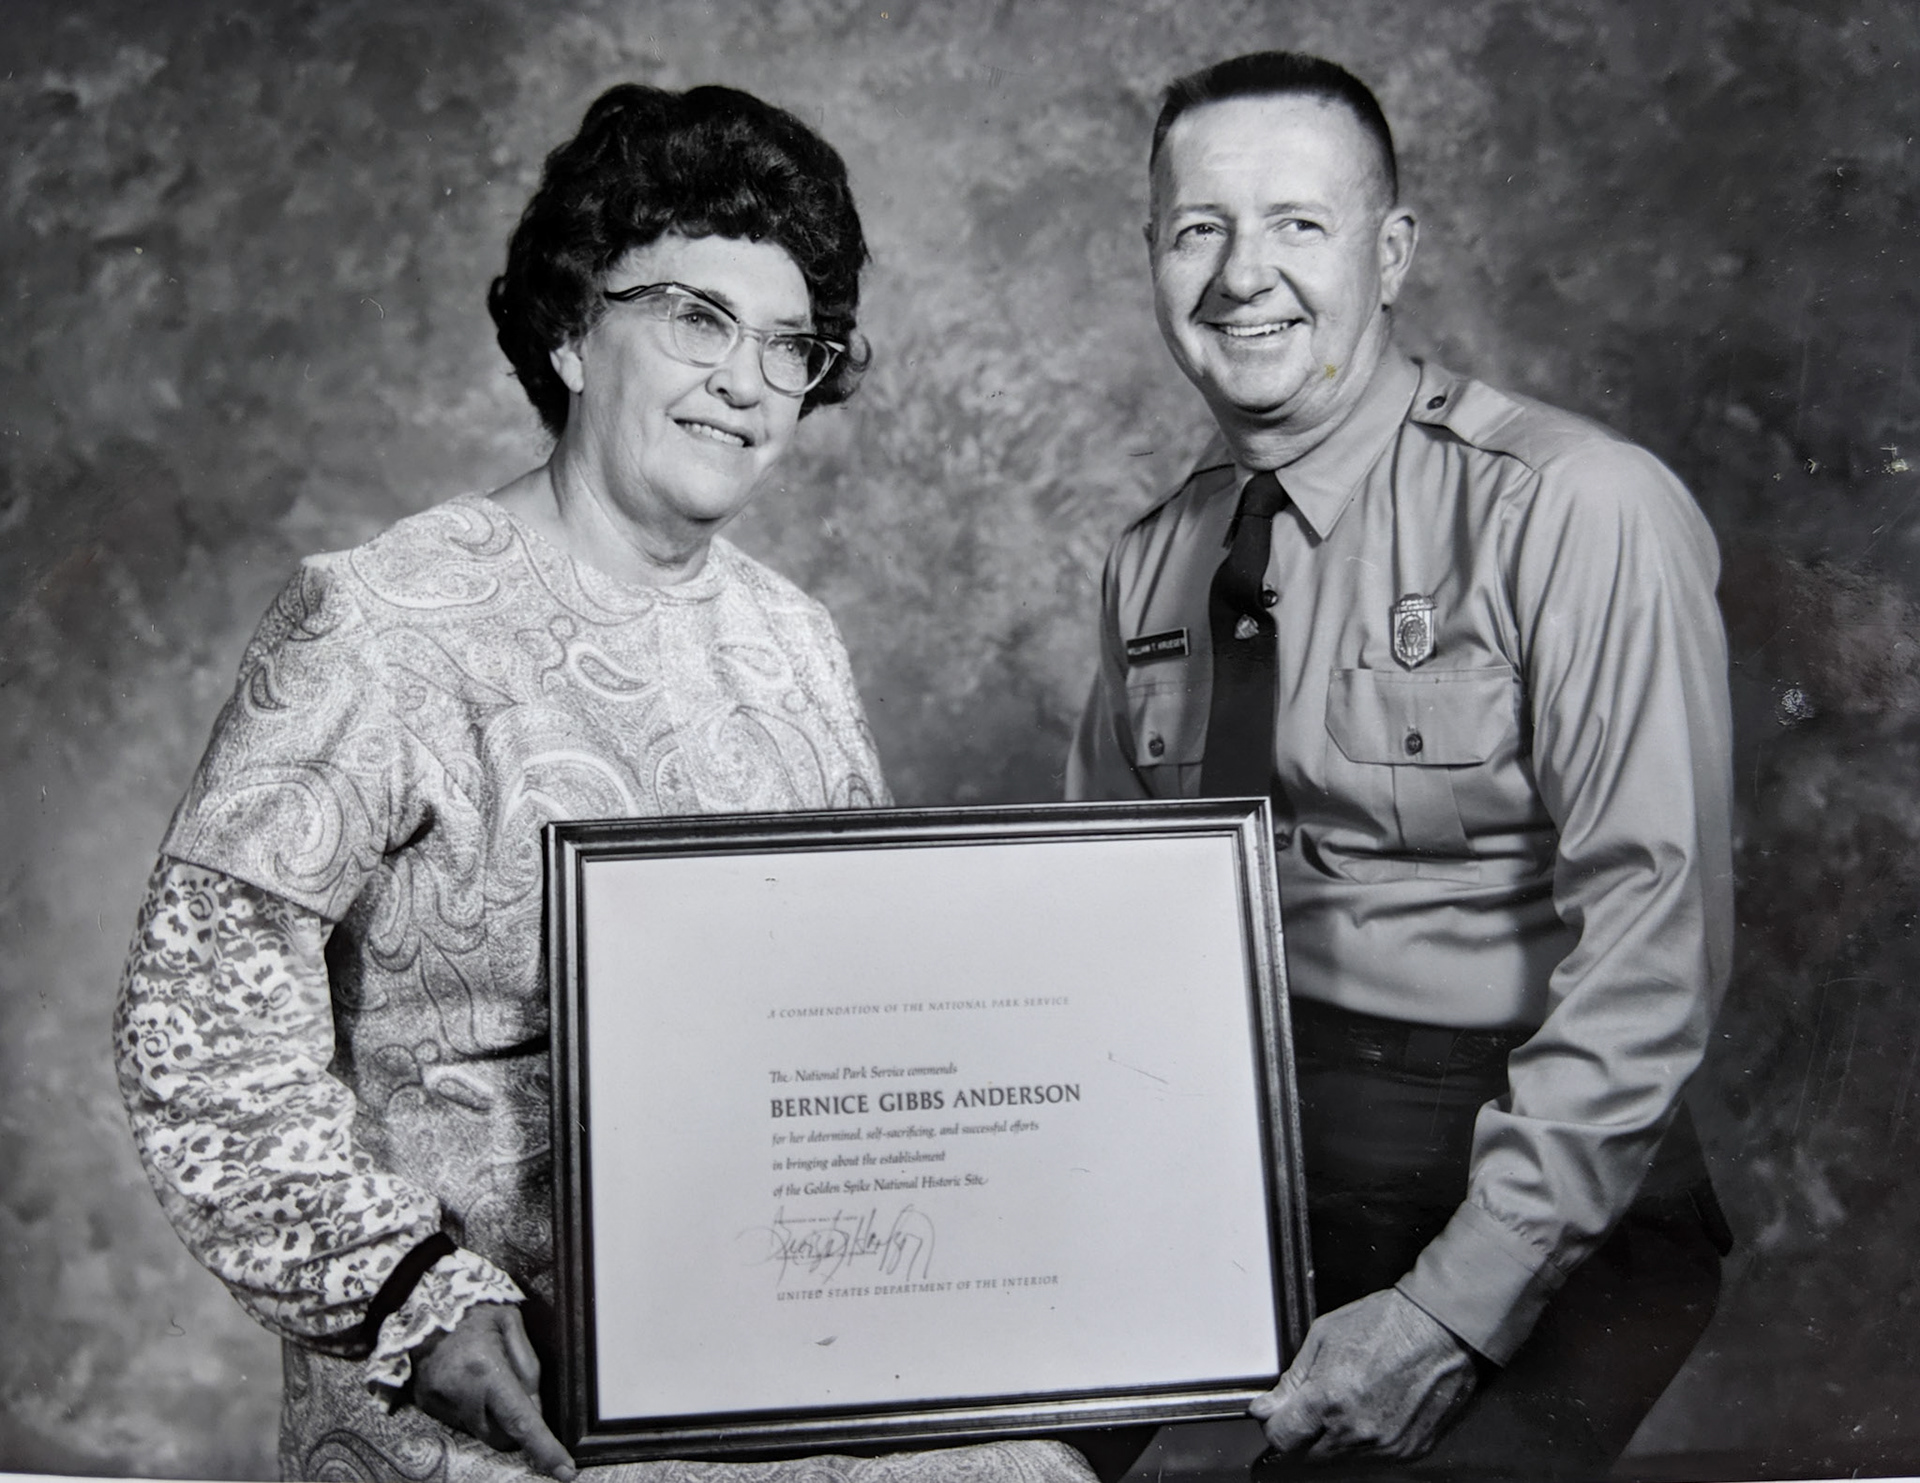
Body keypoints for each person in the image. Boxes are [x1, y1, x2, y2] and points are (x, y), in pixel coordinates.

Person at [115, 84, 1099, 1483]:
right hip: (500, 1395)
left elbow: (857, 1024)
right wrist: (403, 1292)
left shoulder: (796, 643)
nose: (747, 382)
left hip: (776, 1348)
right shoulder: (382, 626)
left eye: (789, 345)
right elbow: (197, 1034)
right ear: (575, 329)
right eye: (697, 320)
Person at [1067, 51, 1734, 1480]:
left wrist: (1449, 1311)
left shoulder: (1577, 510)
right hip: (1250, 1143)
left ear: (1392, 251)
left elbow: (1651, 951)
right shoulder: (1152, 561)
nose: (1244, 274)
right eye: (1200, 229)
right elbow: (1095, 930)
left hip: (1526, 1157)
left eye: (1299, 224)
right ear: (1153, 259)